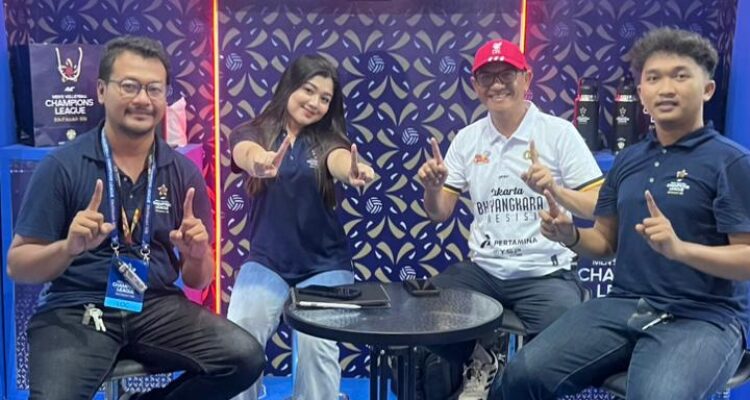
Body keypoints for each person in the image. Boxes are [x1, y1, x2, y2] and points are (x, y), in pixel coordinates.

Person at [496, 27, 750, 400]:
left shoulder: (731, 162)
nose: (666, 88)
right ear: (641, 92)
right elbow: (605, 242)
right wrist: (571, 236)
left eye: (680, 76)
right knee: (522, 374)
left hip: (704, 316)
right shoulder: (629, 160)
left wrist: (681, 250)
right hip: (625, 305)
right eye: (654, 78)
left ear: (707, 89)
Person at [7, 36, 264, 400]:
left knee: (245, 359)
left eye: (154, 89)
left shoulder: (182, 172)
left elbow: (199, 278)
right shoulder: (61, 167)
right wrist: (68, 248)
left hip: (155, 304)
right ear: (101, 90)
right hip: (77, 307)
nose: (143, 99)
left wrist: (196, 255)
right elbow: (18, 265)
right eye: (129, 86)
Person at [417, 38, 604, 399]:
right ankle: (481, 359)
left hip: (545, 274)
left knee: (551, 356)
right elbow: (439, 212)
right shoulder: (468, 139)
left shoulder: (558, 133)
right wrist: (432, 188)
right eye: (486, 77)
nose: (497, 84)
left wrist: (555, 189)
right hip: (484, 271)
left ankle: (507, 381)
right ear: (475, 85)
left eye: (506, 74)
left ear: (526, 78)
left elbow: (598, 204)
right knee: (424, 309)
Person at [226, 54, 374, 400]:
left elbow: (338, 160)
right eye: (308, 90)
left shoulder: (329, 140)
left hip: (325, 265)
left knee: (316, 344)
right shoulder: (255, 131)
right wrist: (258, 161)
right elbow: (243, 151)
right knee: (239, 338)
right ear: (289, 87)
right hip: (267, 261)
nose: (315, 102)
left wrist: (352, 171)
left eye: (325, 98)